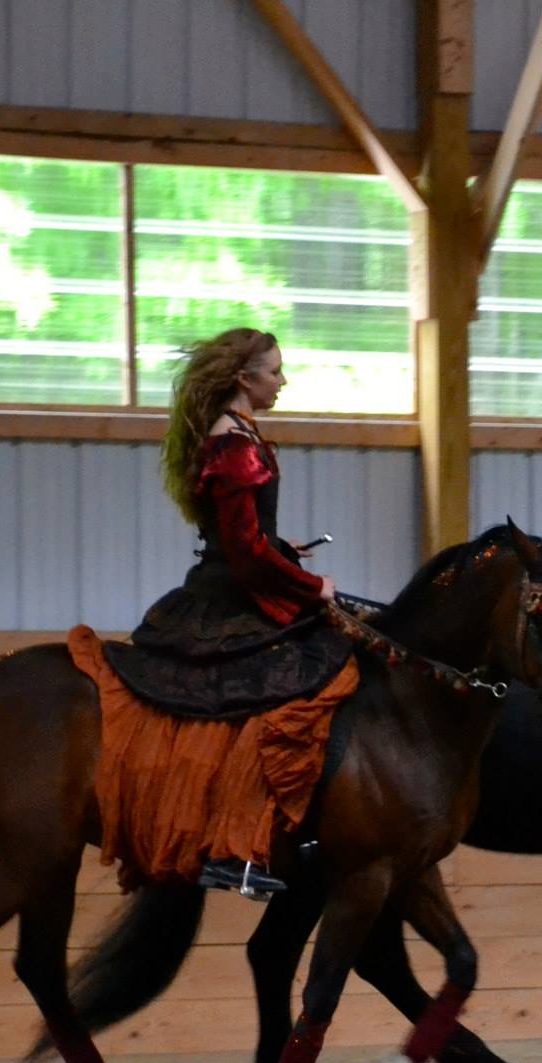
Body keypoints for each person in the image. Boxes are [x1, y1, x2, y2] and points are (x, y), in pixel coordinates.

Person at [139, 327, 344, 897]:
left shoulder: (242, 436)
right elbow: (244, 551)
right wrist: (311, 586)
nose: (283, 380)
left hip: (239, 583)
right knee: (271, 697)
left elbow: (250, 537)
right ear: (244, 379)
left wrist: (285, 551)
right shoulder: (234, 447)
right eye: (275, 371)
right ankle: (226, 845)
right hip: (228, 597)